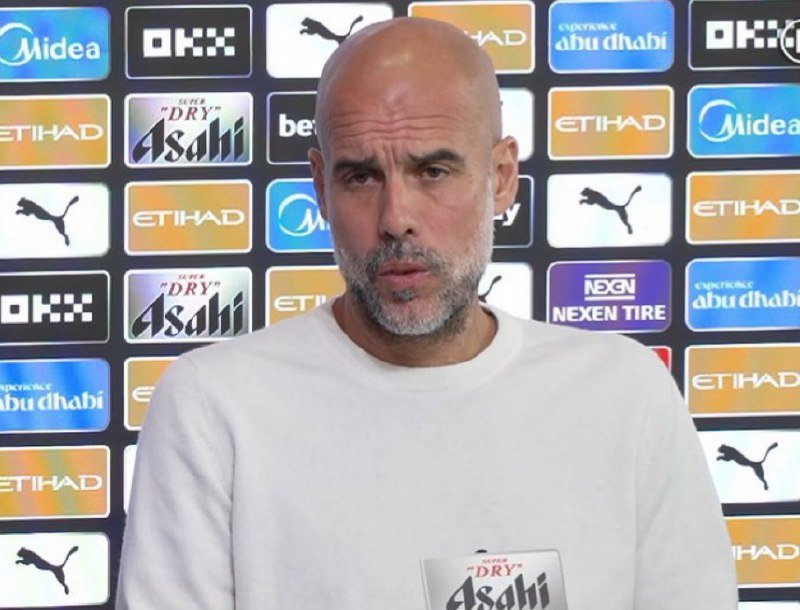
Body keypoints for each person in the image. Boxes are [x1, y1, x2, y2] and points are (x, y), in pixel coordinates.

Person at [117, 17, 738, 609]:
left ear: (501, 177)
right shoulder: (212, 406)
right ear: (320, 186)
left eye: (433, 171)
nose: (396, 219)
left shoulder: (625, 394)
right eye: (361, 178)